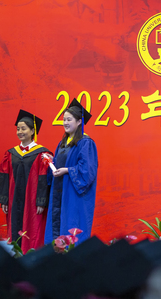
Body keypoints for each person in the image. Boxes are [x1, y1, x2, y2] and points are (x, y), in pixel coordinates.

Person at [0, 110, 52, 253]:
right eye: (18, 129)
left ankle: (31, 257)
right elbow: (4, 175)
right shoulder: (10, 153)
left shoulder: (41, 154)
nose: (20, 132)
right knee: (15, 227)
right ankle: (16, 256)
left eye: (23, 128)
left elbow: (43, 178)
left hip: (32, 201)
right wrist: (4, 200)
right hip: (13, 200)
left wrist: (41, 201)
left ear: (32, 130)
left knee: (32, 228)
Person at [45, 98, 98, 245]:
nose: (65, 123)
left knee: (72, 229)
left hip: (74, 195)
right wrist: (51, 162)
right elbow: (58, 165)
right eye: (64, 120)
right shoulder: (62, 144)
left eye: (69, 119)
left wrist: (67, 170)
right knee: (57, 228)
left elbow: (87, 171)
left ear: (79, 122)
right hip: (60, 193)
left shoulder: (86, 143)